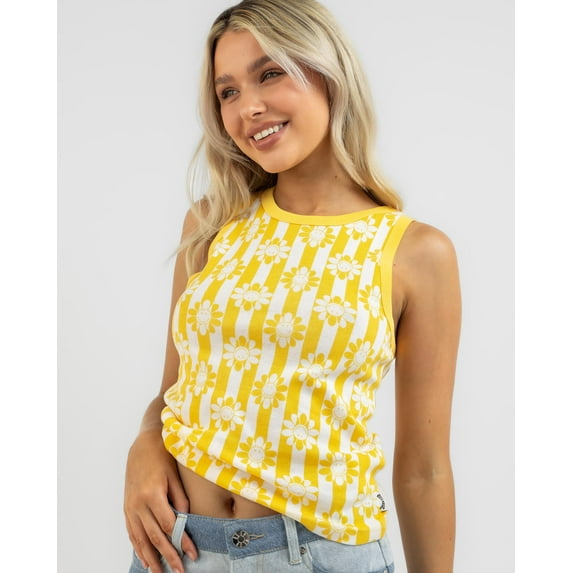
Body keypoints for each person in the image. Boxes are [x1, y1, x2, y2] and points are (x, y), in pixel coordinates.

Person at [124, 1, 461, 571]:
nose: (248, 108)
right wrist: (144, 440)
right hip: (179, 551)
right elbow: (172, 391)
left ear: (329, 74)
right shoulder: (211, 226)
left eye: (270, 73)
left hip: (321, 554)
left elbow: (424, 469)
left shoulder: (414, 252)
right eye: (228, 92)